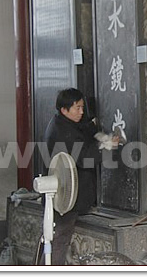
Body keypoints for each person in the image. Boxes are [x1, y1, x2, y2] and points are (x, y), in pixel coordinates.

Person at [41, 88, 119, 265]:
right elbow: (84, 158)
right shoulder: (62, 132)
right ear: (64, 110)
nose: (81, 112)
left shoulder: (63, 122)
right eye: (77, 108)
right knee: (58, 240)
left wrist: (98, 132)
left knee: (55, 240)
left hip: (69, 196)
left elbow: (83, 127)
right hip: (64, 196)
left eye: (82, 107)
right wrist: (107, 146)